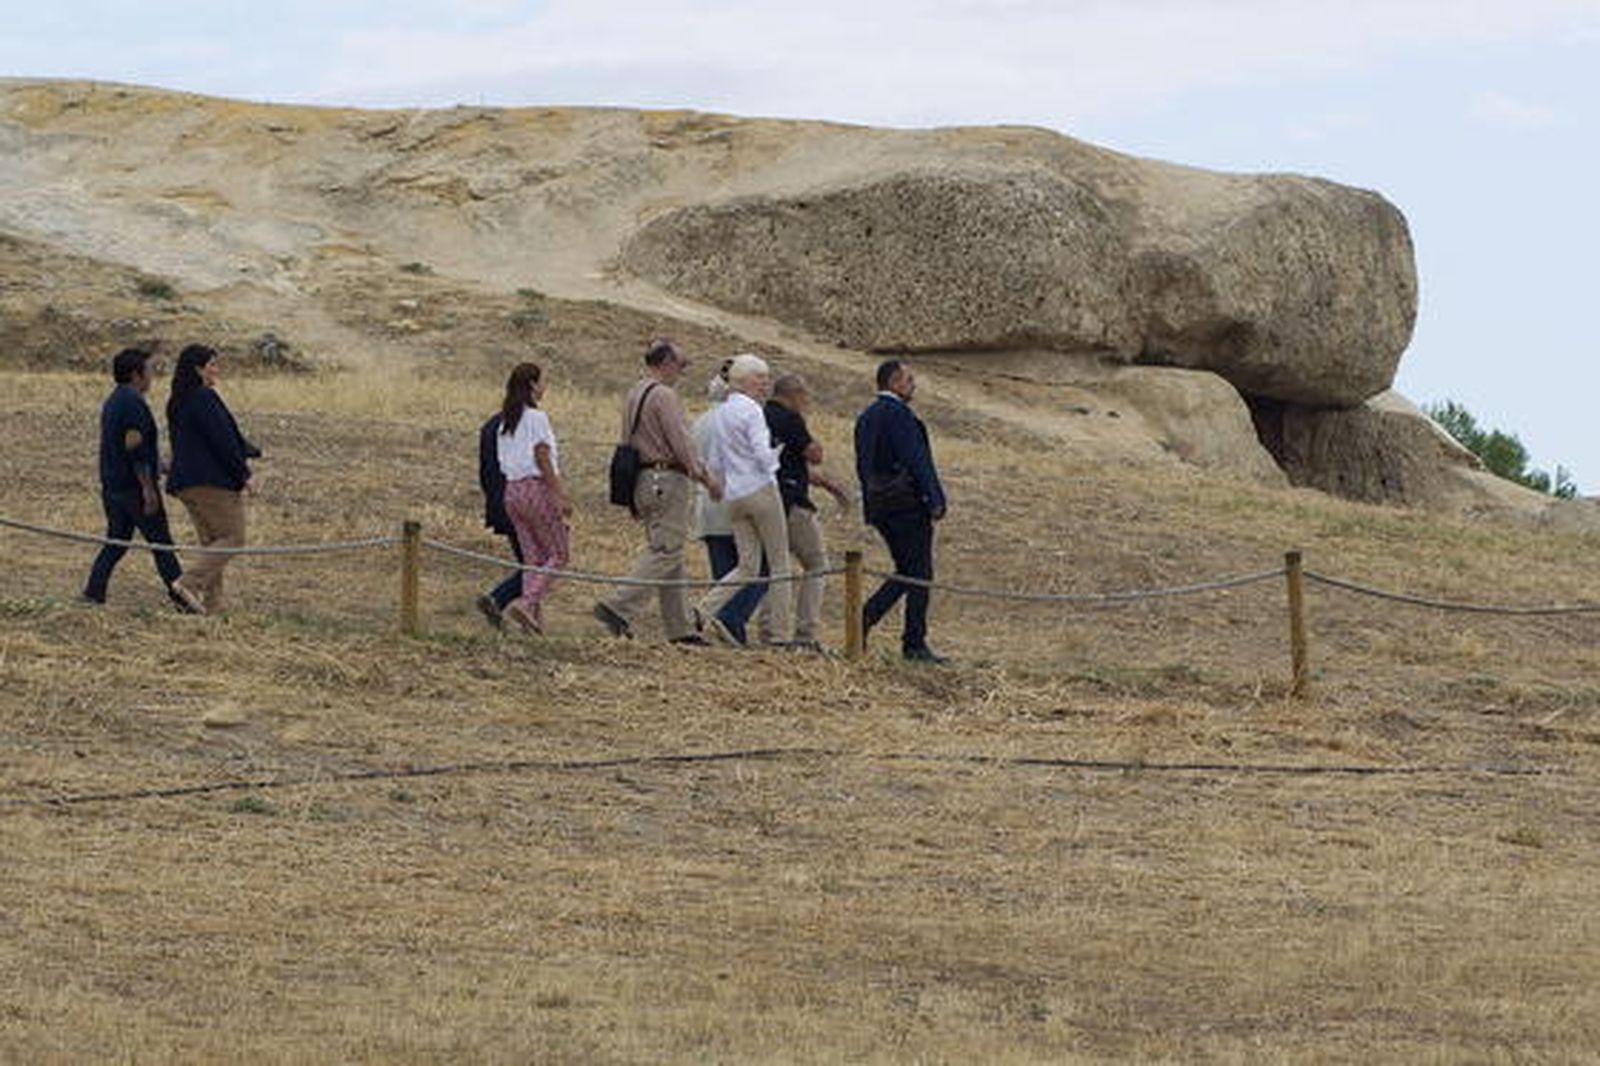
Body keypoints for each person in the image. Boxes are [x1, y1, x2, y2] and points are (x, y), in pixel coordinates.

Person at [594, 339, 721, 644]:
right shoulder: (664, 395)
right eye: (682, 365)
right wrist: (705, 477)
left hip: (642, 480)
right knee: (665, 550)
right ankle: (618, 605)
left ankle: (681, 630)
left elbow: (627, 442)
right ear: (666, 363)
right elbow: (681, 441)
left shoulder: (634, 393)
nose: (683, 372)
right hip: (666, 479)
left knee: (671, 554)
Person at [82, 348, 198, 612]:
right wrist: (148, 489)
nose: (152, 377)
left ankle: (93, 592)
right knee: (161, 544)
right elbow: (134, 446)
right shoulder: (133, 404)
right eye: (149, 371)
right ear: (136, 375)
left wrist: (162, 464)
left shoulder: (114, 400)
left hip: (112, 485)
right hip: (134, 488)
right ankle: (183, 599)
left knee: (116, 541)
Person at [695, 354, 794, 647]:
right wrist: (775, 461)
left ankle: (702, 610)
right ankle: (778, 634)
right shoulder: (752, 410)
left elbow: (715, 459)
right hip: (760, 489)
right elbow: (762, 454)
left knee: (747, 565)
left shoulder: (722, 411)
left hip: (733, 495)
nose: (765, 383)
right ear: (744, 380)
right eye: (760, 377)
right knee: (779, 565)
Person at [854, 359, 947, 663]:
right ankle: (913, 643)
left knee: (908, 570)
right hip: (906, 505)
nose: (913, 385)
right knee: (919, 574)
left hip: (881, 506)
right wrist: (934, 497)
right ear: (894, 382)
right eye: (909, 379)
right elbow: (916, 459)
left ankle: (867, 621)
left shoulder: (866, 417)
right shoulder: (898, 415)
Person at [752, 373, 852, 648]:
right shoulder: (790, 419)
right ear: (793, 394)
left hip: (763, 498)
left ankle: (771, 632)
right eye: (805, 396)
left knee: (775, 566)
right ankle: (805, 633)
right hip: (793, 501)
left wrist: (828, 484)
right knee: (817, 564)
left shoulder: (759, 416)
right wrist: (816, 445)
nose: (807, 402)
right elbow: (814, 455)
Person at [165, 344, 260, 615]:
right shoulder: (204, 397)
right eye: (212, 365)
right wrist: (244, 475)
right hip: (211, 483)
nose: (217, 370)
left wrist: (251, 450)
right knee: (233, 538)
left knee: (212, 545)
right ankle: (186, 585)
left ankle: (212, 606)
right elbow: (223, 441)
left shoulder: (177, 400)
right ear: (198, 369)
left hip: (186, 483)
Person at [691, 360, 765, 642]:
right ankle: (730, 621)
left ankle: (730, 629)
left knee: (724, 575)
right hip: (739, 501)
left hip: (708, 505)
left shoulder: (700, 422)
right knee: (760, 571)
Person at [496, 362, 570, 634]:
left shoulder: (505, 421)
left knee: (533, 558)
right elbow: (542, 456)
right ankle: (527, 604)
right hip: (535, 488)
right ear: (532, 385)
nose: (545, 387)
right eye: (542, 382)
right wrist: (559, 494)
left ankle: (532, 621)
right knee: (559, 554)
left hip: (512, 491)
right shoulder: (537, 418)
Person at [475, 406, 524, 629]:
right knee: (543, 563)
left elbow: (484, 473)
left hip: (499, 502)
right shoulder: (526, 424)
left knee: (532, 562)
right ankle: (498, 599)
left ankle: (512, 608)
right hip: (522, 503)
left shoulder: (490, 425)